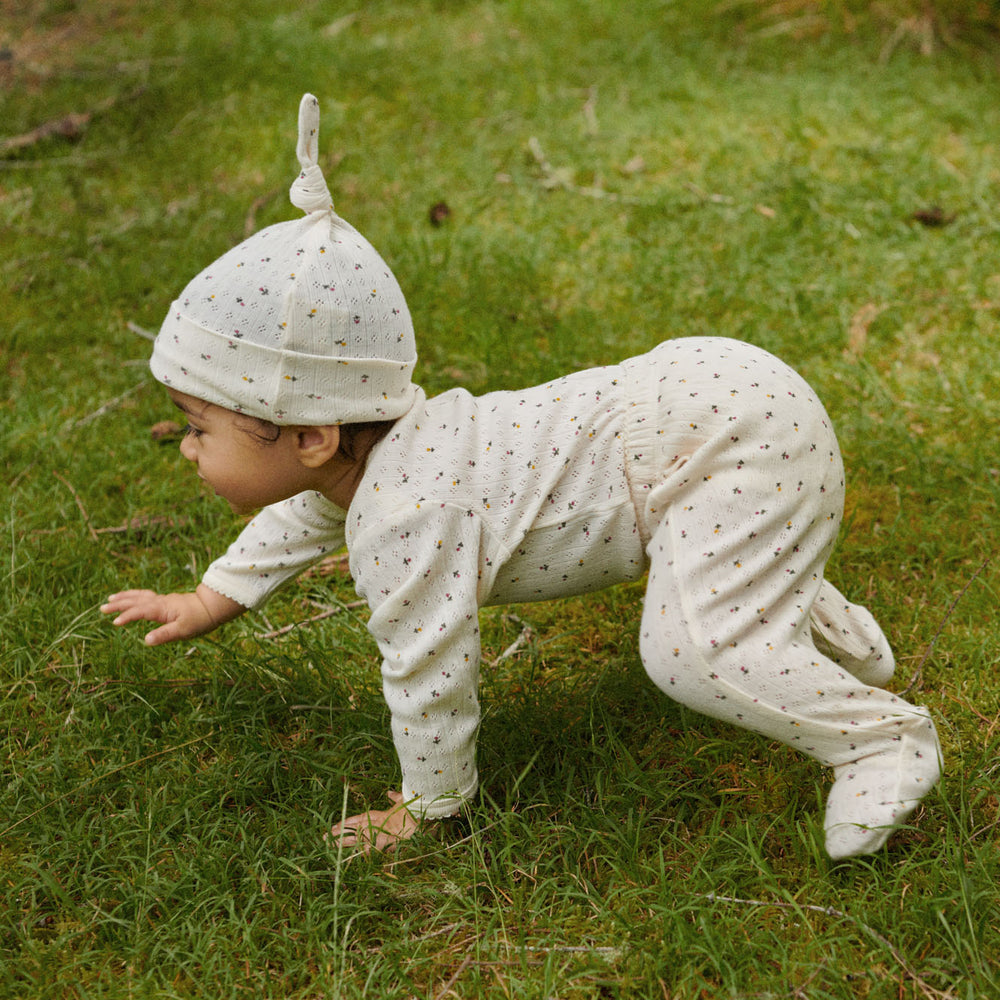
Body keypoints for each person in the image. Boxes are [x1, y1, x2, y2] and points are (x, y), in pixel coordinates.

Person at [102, 94, 941, 860]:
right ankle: (833, 638)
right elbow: (302, 518)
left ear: (315, 437)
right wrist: (210, 599)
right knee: (723, 565)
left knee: (691, 651)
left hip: (726, 438)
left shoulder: (407, 517)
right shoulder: (368, 464)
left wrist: (428, 807)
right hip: (713, 397)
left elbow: (430, 672)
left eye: (199, 427)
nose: (186, 446)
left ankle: (879, 738)